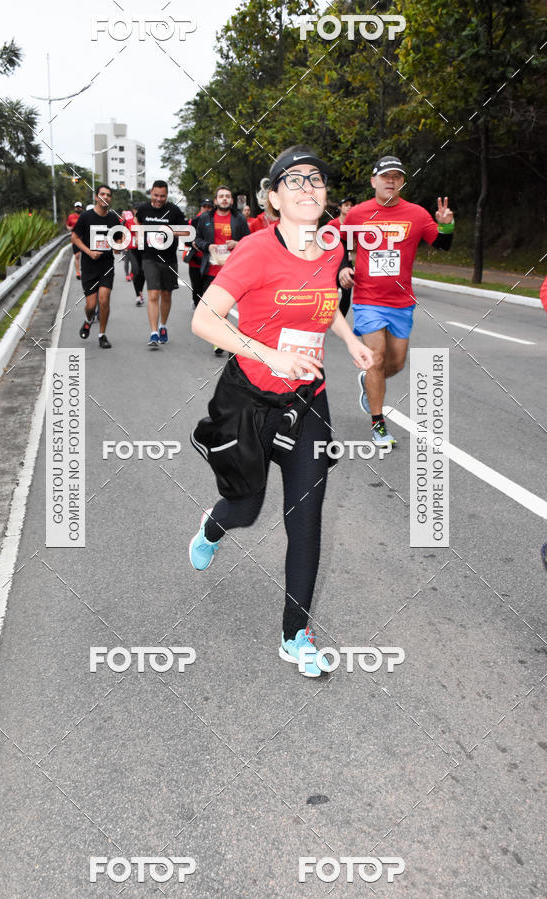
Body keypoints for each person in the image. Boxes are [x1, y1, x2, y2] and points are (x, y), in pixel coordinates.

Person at [189, 146, 373, 678]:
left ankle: (295, 633)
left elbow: (323, 303)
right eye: (293, 181)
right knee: (245, 508)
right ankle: (213, 527)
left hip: (306, 402)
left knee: (306, 520)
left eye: (315, 178)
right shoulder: (254, 250)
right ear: (273, 199)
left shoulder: (332, 244)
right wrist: (271, 354)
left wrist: (349, 338)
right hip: (248, 401)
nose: (308, 186)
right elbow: (205, 319)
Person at [340, 156, 454, 447]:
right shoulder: (357, 214)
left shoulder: (416, 214)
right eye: (385, 176)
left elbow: (442, 245)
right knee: (375, 359)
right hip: (367, 299)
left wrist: (446, 226)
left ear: (402, 182)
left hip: (401, 302)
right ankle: (378, 424)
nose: (391, 181)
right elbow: (338, 242)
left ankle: (369, 382)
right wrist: (342, 267)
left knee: (396, 363)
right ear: (373, 181)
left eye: (397, 177)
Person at [194, 185, 250, 355]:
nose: (224, 199)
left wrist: (237, 244)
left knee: (225, 307)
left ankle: (222, 339)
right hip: (211, 269)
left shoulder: (239, 219)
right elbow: (197, 239)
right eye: (221, 196)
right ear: (215, 200)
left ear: (231, 201)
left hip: (233, 270)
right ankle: (220, 338)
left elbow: (249, 241)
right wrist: (208, 246)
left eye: (227, 196)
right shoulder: (204, 218)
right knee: (215, 307)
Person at [136, 180, 188, 349]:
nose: (159, 199)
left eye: (162, 196)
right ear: (151, 192)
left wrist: (171, 231)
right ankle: (153, 332)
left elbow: (187, 231)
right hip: (149, 257)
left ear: (167, 195)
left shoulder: (173, 210)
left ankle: (162, 326)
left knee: (166, 295)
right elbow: (135, 224)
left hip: (169, 259)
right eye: (156, 195)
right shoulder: (143, 209)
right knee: (153, 294)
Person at [72, 184, 123, 349]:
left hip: (106, 265)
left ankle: (102, 335)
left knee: (104, 299)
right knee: (91, 305)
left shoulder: (113, 219)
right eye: (102, 194)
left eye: (108, 195)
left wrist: (118, 246)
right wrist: (89, 252)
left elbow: (118, 241)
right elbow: (74, 238)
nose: (105, 197)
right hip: (89, 266)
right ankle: (88, 320)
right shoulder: (86, 217)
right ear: (96, 197)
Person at [325, 197, 355, 317]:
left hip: (347, 262)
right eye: (346, 204)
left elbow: (354, 246)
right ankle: (325, 317)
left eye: (351, 205)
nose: (349, 207)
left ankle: (340, 319)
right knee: (331, 293)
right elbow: (325, 244)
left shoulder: (354, 224)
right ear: (340, 207)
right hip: (333, 263)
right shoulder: (332, 224)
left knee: (347, 293)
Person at [185, 198, 213, 309]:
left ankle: (204, 309)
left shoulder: (214, 221)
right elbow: (185, 238)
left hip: (210, 261)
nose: (206, 209)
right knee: (196, 287)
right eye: (204, 207)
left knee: (208, 288)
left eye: (209, 207)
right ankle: (197, 303)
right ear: (201, 207)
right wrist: (193, 243)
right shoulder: (193, 221)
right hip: (195, 261)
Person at [66, 201, 83, 279]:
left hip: (84, 238)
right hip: (75, 239)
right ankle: (78, 273)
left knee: (85, 256)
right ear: (75, 208)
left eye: (79, 207)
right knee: (77, 255)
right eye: (77, 207)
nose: (78, 208)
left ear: (81, 208)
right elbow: (68, 225)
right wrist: (70, 228)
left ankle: (84, 270)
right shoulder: (71, 217)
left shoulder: (84, 216)